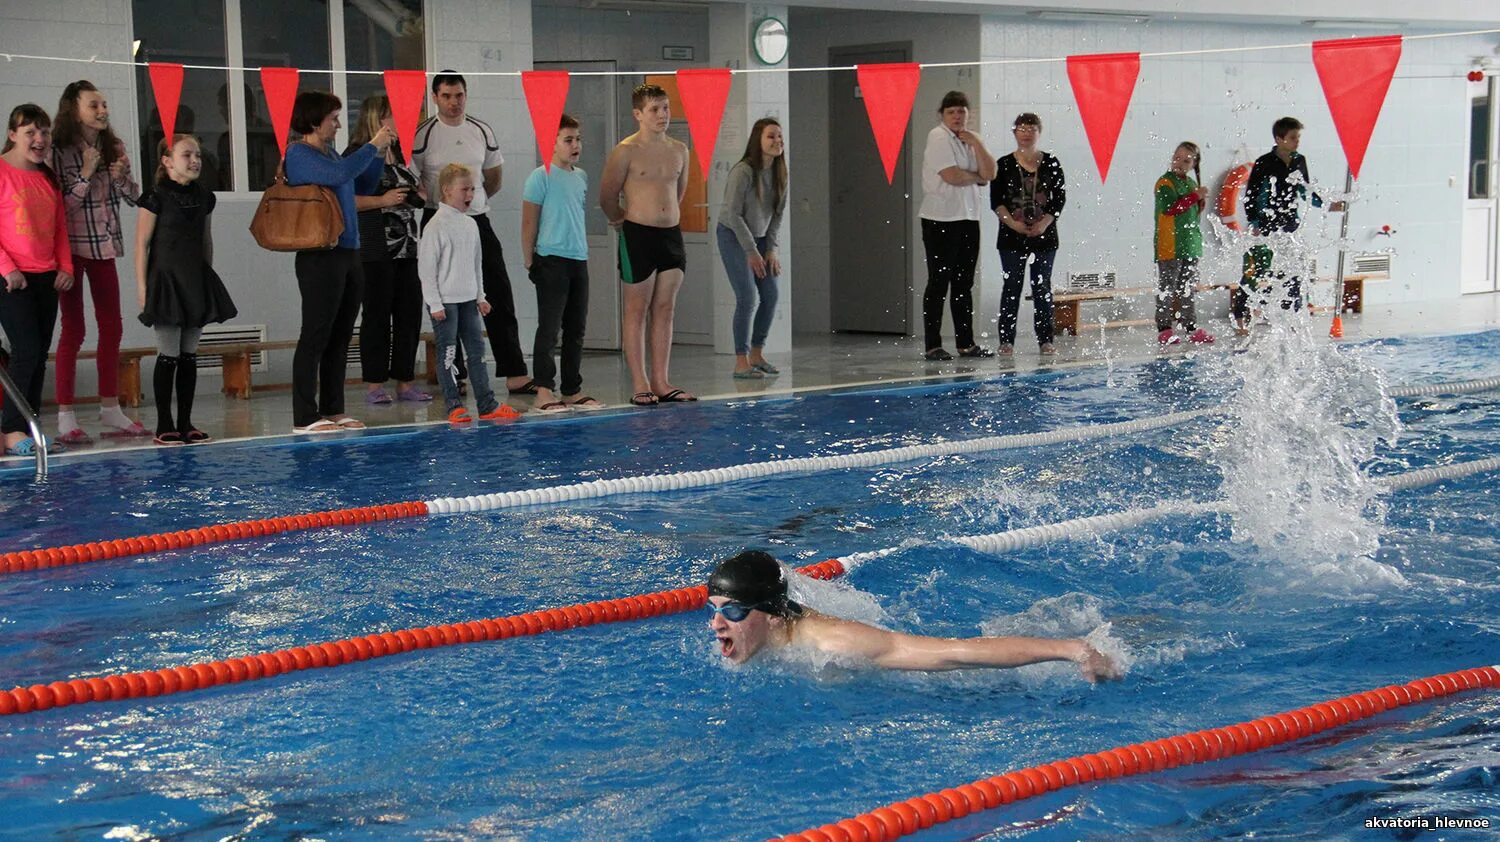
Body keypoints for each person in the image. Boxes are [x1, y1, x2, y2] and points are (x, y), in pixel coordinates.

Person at [706, 551, 1120, 681]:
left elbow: (954, 654)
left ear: (774, 616)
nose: (716, 625)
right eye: (714, 610)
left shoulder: (834, 644)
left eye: (734, 611)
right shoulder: (766, 624)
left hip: (959, 686)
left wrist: (1074, 651)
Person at [411, 71, 531, 397]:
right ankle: (456, 374)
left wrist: (471, 202)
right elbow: (412, 179)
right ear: (435, 97)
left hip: (476, 218)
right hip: (439, 218)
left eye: (459, 96)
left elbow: (494, 178)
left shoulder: (480, 130)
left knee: (498, 294)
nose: (454, 102)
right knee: (449, 298)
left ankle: (515, 372)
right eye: (447, 96)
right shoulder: (424, 134)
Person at [283, 90, 388, 434]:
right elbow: (340, 174)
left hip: (348, 251)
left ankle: (333, 407)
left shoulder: (329, 153)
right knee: (315, 333)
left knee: (341, 335)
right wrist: (371, 145)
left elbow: (363, 185)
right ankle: (304, 415)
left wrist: (380, 153)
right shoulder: (298, 154)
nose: (338, 125)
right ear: (315, 122)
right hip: (319, 255)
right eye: (333, 119)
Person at [52, 80, 147, 443]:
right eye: (93, 105)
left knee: (112, 326)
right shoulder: (59, 151)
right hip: (71, 249)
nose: (102, 110)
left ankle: (110, 407)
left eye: (104, 104)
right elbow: (59, 208)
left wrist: (121, 179)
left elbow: (135, 198)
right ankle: (65, 414)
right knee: (73, 330)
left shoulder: (114, 147)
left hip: (104, 247)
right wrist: (86, 174)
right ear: (73, 110)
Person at [134, 134, 237, 445]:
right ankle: (164, 424)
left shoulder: (204, 197)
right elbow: (142, 244)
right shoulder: (155, 197)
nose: (195, 161)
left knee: (189, 355)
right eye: (187, 155)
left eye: (198, 155)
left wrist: (206, 279)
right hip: (165, 282)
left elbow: (206, 240)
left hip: (195, 279)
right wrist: (143, 289)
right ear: (167, 161)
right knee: (169, 354)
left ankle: (185, 421)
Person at [599, 83, 694, 406]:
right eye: (654, 109)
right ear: (638, 114)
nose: (662, 115)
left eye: (665, 108)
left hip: (671, 236)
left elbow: (678, 193)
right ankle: (640, 382)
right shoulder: (625, 151)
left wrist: (666, 215)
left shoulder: (680, 150)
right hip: (637, 235)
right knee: (636, 310)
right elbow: (607, 196)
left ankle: (661, 381)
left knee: (666, 309)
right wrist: (621, 220)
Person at [419, 164, 522, 425]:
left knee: (477, 353)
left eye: (473, 189)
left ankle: (487, 404)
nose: (470, 195)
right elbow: (427, 270)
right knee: (448, 355)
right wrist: (434, 303)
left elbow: (477, 264)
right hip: (445, 303)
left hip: (467, 300)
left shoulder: (470, 225)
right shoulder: (435, 226)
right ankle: (453, 404)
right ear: (446, 190)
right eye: (464, 189)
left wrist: (480, 296)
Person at [345, 94, 430, 407]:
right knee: (377, 315)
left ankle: (406, 381)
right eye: (394, 115)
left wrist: (419, 195)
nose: (401, 121)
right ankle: (375, 383)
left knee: (409, 314)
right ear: (378, 118)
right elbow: (347, 200)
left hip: (407, 246)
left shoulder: (399, 151)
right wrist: (382, 201)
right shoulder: (358, 154)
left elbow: (412, 191)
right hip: (375, 246)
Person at [0, 104, 75, 457]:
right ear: (12, 135)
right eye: (30, 132)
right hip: (11, 278)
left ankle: (30, 425)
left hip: (46, 276)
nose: (39, 139)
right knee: (26, 350)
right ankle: (12, 429)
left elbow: (60, 228)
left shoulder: (48, 178)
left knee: (38, 355)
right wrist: (7, 268)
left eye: (44, 132)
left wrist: (65, 267)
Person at [521, 114, 603, 413]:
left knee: (576, 328)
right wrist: (530, 261)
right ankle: (544, 389)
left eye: (578, 139)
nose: (575, 145)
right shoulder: (540, 176)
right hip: (550, 259)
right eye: (568, 140)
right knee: (549, 327)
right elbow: (529, 222)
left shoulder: (581, 177)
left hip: (578, 258)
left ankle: (571, 389)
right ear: (551, 143)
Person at [1234, 116, 1346, 335]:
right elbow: (1251, 196)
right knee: (1255, 272)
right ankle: (1241, 317)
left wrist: (1327, 205)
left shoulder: (1299, 160)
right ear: (1279, 139)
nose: (1297, 141)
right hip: (1265, 226)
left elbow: (1305, 190)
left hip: (1290, 225)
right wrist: (1255, 222)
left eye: (1298, 137)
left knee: (1295, 271)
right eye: (1293, 137)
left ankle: (1293, 316)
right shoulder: (1264, 162)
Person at [919, 91, 996, 361]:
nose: (957, 116)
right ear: (942, 115)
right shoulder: (937, 136)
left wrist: (977, 143)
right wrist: (977, 177)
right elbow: (951, 176)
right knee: (939, 282)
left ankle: (966, 343)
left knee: (964, 283)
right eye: (951, 112)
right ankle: (932, 344)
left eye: (961, 111)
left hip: (968, 218)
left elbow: (990, 173)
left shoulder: (971, 140)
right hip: (940, 218)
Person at [717, 117, 789, 380]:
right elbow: (733, 215)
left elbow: (777, 215)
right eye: (771, 136)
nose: (777, 141)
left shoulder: (780, 173)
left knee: (770, 295)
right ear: (757, 141)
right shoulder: (743, 171)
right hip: (733, 236)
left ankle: (757, 354)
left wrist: (771, 248)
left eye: (779, 136)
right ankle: (741, 361)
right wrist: (751, 251)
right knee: (747, 297)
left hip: (760, 238)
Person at [990, 113, 1066, 356]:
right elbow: (996, 201)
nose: (1026, 133)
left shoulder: (1051, 163)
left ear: (1039, 132)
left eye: (1031, 129)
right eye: (1022, 129)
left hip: (1044, 237)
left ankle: (1045, 339)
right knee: (1011, 287)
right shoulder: (1003, 164)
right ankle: (1006, 340)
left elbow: (1059, 198)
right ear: (1014, 132)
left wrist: (1045, 223)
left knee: (1042, 287)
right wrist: (1013, 224)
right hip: (1011, 237)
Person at [1153, 141, 1215, 346]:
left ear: (1194, 165)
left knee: (1188, 288)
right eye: (1177, 158)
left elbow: (1191, 214)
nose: (1179, 163)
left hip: (1189, 244)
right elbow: (1171, 208)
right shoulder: (1165, 183)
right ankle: (1164, 328)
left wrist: (1198, 199)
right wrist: (1195, 196)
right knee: (1167, 288)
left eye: (1186, 161)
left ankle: (1190, 327)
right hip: (1170, 245)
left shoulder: (1191, 183)